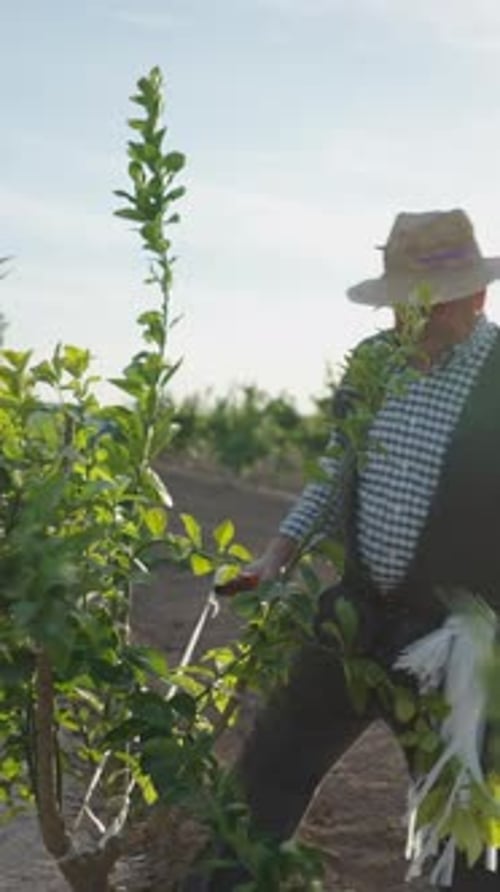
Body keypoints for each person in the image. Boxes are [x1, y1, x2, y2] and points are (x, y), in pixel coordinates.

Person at [183, 208, 500, 891]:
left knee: (459, 834)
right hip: (354, 615)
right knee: (266, 776)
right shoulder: (375, 363)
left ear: (477, 297)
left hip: (454, 640)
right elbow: (337, 467)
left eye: (428, 309)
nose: (409, 327)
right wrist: (279, 552)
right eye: (399, 310)